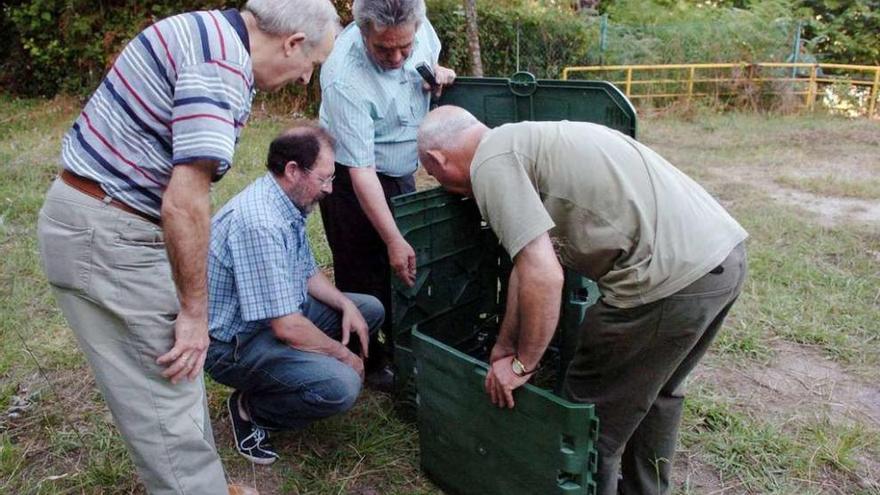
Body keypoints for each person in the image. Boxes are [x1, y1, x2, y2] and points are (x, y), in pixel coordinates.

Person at [35, 1, 339, 493]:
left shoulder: (208, 32)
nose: (306, 79)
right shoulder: (222, 69)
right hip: (111, 235)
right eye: (313, 65)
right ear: (292, 43)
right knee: (166, 396)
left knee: (179, 380)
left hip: (102, 219)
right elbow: (185, 202)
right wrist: (195, 314)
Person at [417, 106, 749, 495]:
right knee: (658, 393)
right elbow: (526, 268)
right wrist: (504, 346)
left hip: (664, 283)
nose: (438, 182)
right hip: (720, 258)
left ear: (437, 160)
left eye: (433, 175)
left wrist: (525, 363)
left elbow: (544, 275)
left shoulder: (490, 163)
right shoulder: (522, 140)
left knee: (588, 422)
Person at [204, 126, 384, 465]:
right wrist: (345, 358)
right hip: (235, 344)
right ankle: (251, 410)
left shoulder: (286, 201)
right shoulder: (260, 222)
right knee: (342, 386)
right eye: (324, 179)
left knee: (367, 310)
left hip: (272, 320)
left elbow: (308, 272)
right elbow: (287, 326)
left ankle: (301, 371)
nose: (330, 189)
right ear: (292, 171)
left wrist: (346, 304)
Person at [318, 0, 456, 388]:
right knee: (360, 270)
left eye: (404, 47)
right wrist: (393, 239)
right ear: (362, 32)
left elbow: (428, 65)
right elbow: (361, 171)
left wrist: (439, 74)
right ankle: (368, 358)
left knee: (402, 270)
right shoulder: (343, 77)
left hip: (399, 169)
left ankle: (403, 344)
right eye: (383, 49)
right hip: (351, 176)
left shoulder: (420, 26)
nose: (397, 57)